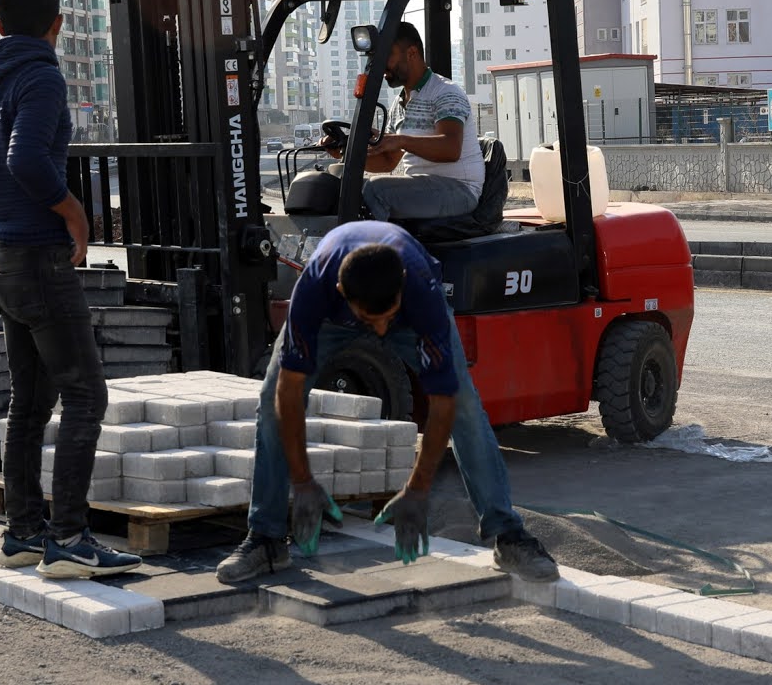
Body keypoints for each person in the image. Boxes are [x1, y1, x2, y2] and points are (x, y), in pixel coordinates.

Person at [215, 221, 559, 585]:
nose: (379, 331)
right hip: (335, 319)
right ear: (341, 293)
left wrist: (417, 489)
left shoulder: (421, 292)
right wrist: (301, 481)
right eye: (369, 321)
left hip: (409, 317)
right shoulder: (313, 292)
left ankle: (507, 535)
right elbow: (288, 392)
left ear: (401, 289)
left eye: (386, 318)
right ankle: (266, 540)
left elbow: (443, 404)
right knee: (270, 402)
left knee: (466, 408)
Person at [0, 0, 142, 582]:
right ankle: (71, 539)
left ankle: (22, 534)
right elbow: (25, 156)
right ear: (58, 24)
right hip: (39, 258)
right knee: (86, 394)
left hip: (0, 254)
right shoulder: (42, 75)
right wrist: (71, 210)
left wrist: (2, 198)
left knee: (28, 402)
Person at [333, 22, 484, 222]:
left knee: (377, 191)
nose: (382, 66)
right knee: (344, 188)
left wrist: (401, 140)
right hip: (423, 187)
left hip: (459, 189)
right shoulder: (401, 103)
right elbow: (388, 162)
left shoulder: (446, 92)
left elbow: (451, 148)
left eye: (388, 56)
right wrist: (343, 151)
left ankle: (373, 252)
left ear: (411, 53)